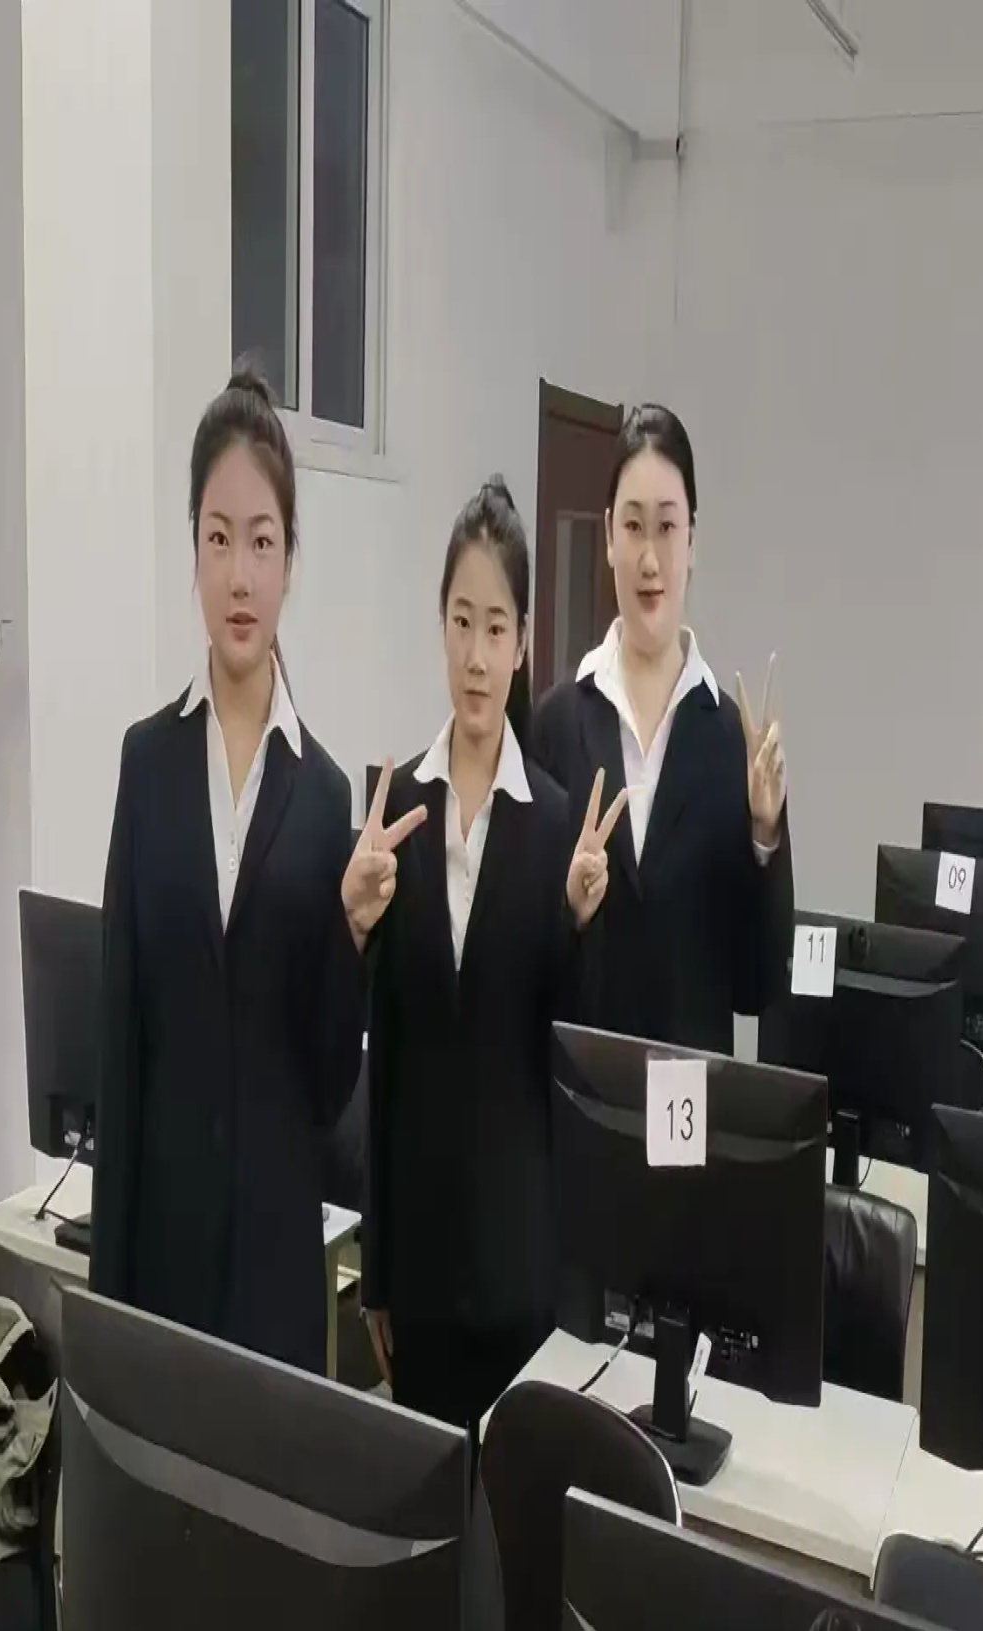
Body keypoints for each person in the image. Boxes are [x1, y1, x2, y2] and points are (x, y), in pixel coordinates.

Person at [89, 369, 423, 1374]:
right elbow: (120, 1048)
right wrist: (108, 1314)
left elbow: (323, 1084)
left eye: (263, 541)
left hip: (277, 1278)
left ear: (290, 562)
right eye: (220, 537)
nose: (240, 575)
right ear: (193, 550)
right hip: (159, 1267)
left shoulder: (324, 796)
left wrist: (351, 933)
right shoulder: (147, 764)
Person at [359, 476, 623, 1431]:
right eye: (461, 623)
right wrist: (377, 1271)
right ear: (441, 627)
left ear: (521, 643)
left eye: (496, 628)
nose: (475, 657)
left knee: (515, 1508)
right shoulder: (395, 811)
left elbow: (568, 1059)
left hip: (522, 1274)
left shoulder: (555, 823)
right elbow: (385, 1054)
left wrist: (580, 922)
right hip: (420, 1274)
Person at [530, 403, 794, 1055]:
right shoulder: (556, 725)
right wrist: (569, 910)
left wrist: (765, 835)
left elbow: (756, 986)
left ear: (692, 542)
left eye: (668, 528)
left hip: (690, 1104)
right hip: (581, 1092)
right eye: (633, 526)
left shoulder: (731, 741)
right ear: (608, 537)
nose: (650, 558)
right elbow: (521, 966)